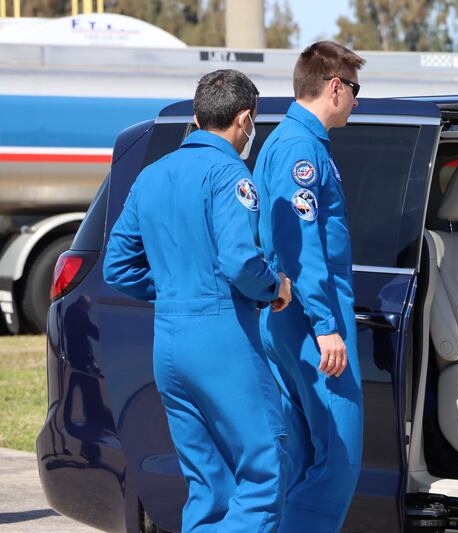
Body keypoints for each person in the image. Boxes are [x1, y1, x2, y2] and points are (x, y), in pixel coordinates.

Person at [103, 69, 292, 532]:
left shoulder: (151, 175)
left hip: (169, 344)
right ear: (245, 119)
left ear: (196, 114)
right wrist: (276, 288)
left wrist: (173, 289)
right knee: (266, 472)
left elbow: (116, 267)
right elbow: (241, 263)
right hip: (223, 339)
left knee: (208, 484)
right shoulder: (229, 171)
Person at [251, 41, 365, 532]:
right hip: (311, 322)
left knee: (298, 458)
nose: (357, 102)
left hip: (287, 319)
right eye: (355, 90)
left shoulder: (288, 141)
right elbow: (299, 249)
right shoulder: (301, 149)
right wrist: (325, 326)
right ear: (335, 86)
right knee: (338, 457)